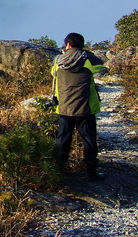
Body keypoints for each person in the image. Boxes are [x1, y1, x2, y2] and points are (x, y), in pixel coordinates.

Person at [51, 32, 105, 180]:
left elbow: (52, 74)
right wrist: (84, 53)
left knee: (62, 141)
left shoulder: (57, 61)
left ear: (67, 44)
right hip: (86, 108)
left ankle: (60, 172)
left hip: (64, 108)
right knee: (89, 140)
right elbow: (100, 64)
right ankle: (91, 173)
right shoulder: (88, 60)